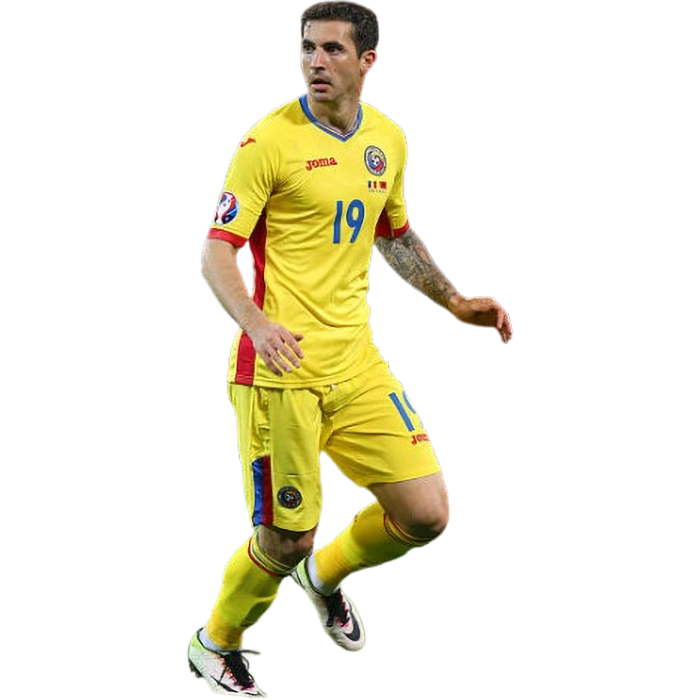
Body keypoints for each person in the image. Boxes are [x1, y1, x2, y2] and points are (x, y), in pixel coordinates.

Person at [187, 1, 514, 696]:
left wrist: (456, 302)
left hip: (356, 362)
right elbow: (216, 253)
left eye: (332, 50)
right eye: (308, 48)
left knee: (425, 514)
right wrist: (257, 324)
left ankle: (325, 575)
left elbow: (393, 235)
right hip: (280, 374)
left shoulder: (386, 140)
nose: (315, 62)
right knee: (287, 536)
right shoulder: (267, 143)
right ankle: (215, 641)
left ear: (368, 62)